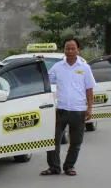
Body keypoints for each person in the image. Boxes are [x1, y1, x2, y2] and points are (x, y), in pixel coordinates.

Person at [40, 38, 96, 177]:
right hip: (60, 109)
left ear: (78, 50)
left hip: (78, 110)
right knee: (53, 140)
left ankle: (69, 166)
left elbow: (89, 89)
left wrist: (89, 107)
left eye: (73, 48)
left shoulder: (84, 67)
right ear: (64, 50)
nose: (70, 51)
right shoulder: (58, 67)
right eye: (67, 48)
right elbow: (45, 80)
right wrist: (39, 65)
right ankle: (54, 167)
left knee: (76, 142)